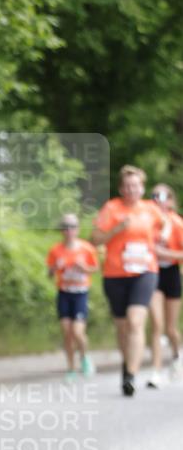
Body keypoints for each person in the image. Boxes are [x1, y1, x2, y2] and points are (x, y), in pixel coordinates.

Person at [91, 165, 164, 396]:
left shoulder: (151, 209)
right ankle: (127, 363)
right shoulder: (111, 208)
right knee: (122, 327)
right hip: (115, 274)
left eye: (136, 185)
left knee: (135, 321)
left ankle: (131, 374)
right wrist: (117, 229)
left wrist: (162, 239)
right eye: (127, 186)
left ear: (142, 188)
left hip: (145, 272)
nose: (131, 189)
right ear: (121, 188)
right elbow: (94, 239)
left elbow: (165, 226)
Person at [46, 214, 99, 381]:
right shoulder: (56, 250)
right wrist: (55, 268)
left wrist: (84, 268)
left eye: (72, 227)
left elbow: (95, 268)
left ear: (78, 229)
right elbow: (49, 274)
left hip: (80, 294)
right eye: (65, 227)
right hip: (64, 293)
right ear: (61, 230)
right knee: (67, 333)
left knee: (78, 332)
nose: (69, 230)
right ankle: (70, 369)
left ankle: (84, 357)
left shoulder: (86, 248)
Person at [148, 183, 183, 386]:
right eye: (154, 196)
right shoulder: (147, 221)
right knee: (157, 324)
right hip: (152, 273)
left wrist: (164, 253)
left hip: (171, 273)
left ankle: (177, 355)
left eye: (162, 196)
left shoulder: (177, 223)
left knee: (170, 328)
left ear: (170, 200)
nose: (158, 200)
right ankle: (156, 371)